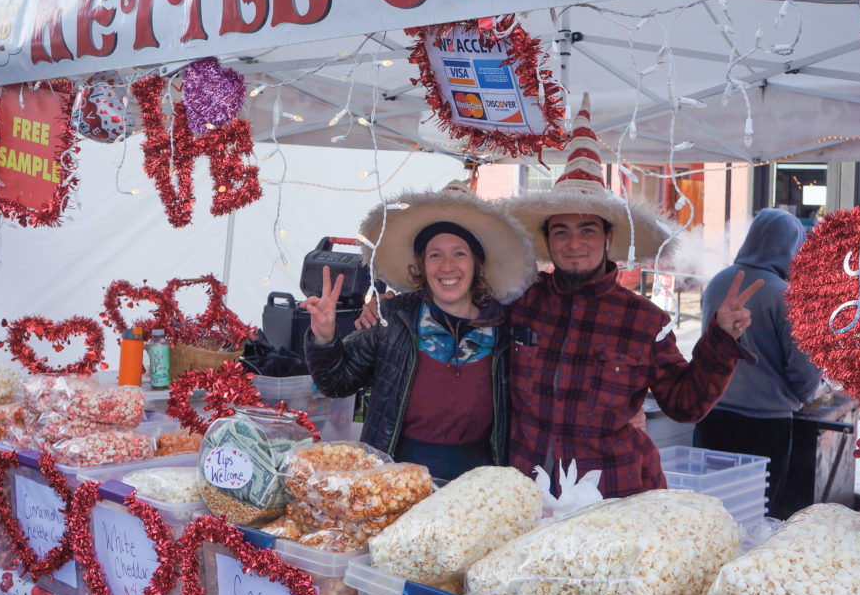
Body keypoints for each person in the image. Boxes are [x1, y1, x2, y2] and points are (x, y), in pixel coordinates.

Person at [503, 97, 760, 498]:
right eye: (561, 231)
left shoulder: (644, 321)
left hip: (614, 497)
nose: (574, 244)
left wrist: (722, 340)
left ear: (608, 238)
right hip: (526, 491)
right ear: (547, 239)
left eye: (587, 230)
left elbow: (685, 405)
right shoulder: (521, 301)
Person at [303, 181, 536, 481]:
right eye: (435, 255)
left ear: (477, 265)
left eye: (459, 254)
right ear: (422, 265)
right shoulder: (392, 319)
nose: (447, 266)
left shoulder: (505, 329)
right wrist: (324, 336)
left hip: (477, 489)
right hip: (393, 485)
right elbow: (335, 382)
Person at [695, 208, 823, 519]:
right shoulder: (785, 294)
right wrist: (807, 394)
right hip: (766, 426)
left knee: (710, 515)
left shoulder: (717, 282)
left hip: (712, 416)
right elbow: (804, 369)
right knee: (756, 516)